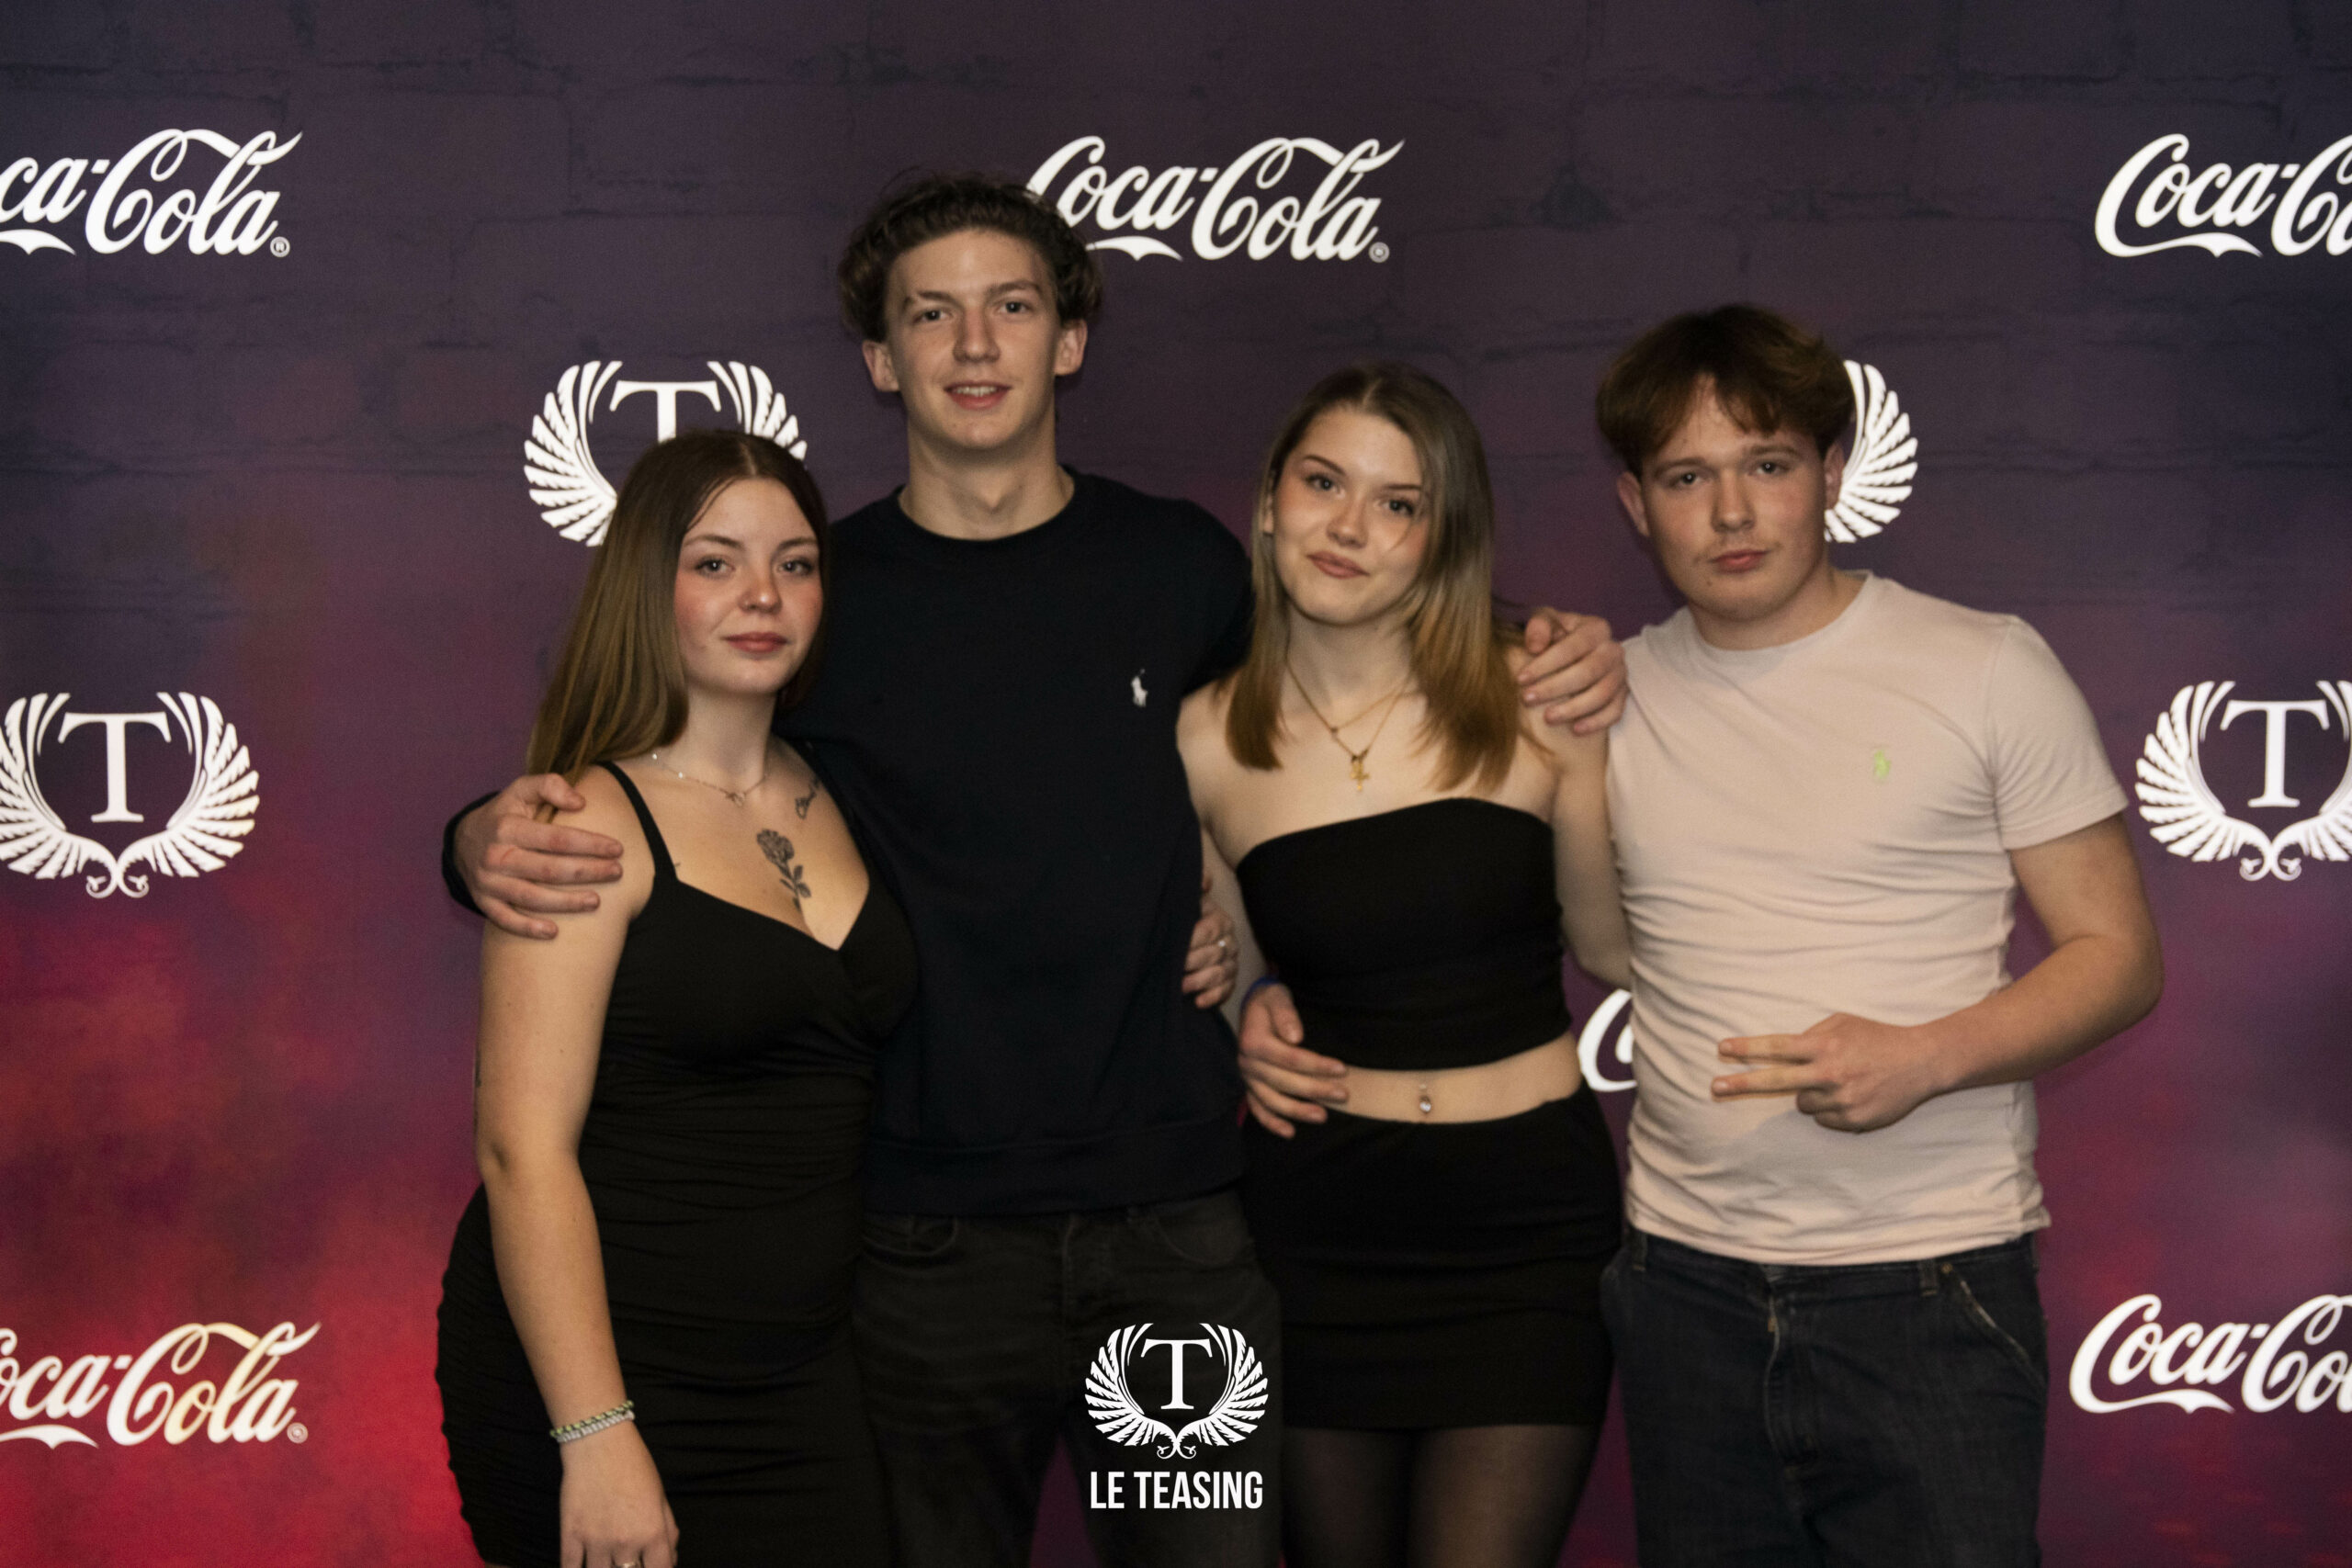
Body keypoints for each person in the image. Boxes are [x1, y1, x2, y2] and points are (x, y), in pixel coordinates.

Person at [444, 174, 1629, 1568]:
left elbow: (1345, 658)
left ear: (1068, 339)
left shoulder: (1177, 565)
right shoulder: (821, 593)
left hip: (1177, 1242)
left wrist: (1534, 638)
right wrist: (474, 836)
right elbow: (677, 765)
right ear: (880, 358)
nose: (973, 343)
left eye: (1011, 306)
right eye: (928, 314)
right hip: (919, 1259)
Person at [1244, 305, 2165, 1568]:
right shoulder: (1593, 694)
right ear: (1635, 502)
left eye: (1766, 465)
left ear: (1830, 472)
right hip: (1683, 1291)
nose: (1730, 512)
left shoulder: (1986, 666)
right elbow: (1443, 877)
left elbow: (2119, 954)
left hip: (1929, 1281)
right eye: (1686, 477)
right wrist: (1264, 990)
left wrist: (1928, 1055)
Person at [1177, 362, 1631, 1568]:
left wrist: (1602, 738)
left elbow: (1609, 946)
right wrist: (1246, 1015)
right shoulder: (1206, 737)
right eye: (1323, 483)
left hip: (1526, 1229)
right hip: (1318, 1229)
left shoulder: (1536, 693)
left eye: (1399, 503)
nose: (1349, 526)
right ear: (1270, 501)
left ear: (1445, 537)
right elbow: (1232, 979)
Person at [436, 430, 913, 1568]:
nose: (763, 595)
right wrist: (597, 1436)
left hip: (805, 1378)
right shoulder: (578, 824)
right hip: (607, 1381)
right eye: (715, 562)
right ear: (649, 587)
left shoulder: (842, 781)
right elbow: (520, 1149)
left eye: (795, 564)